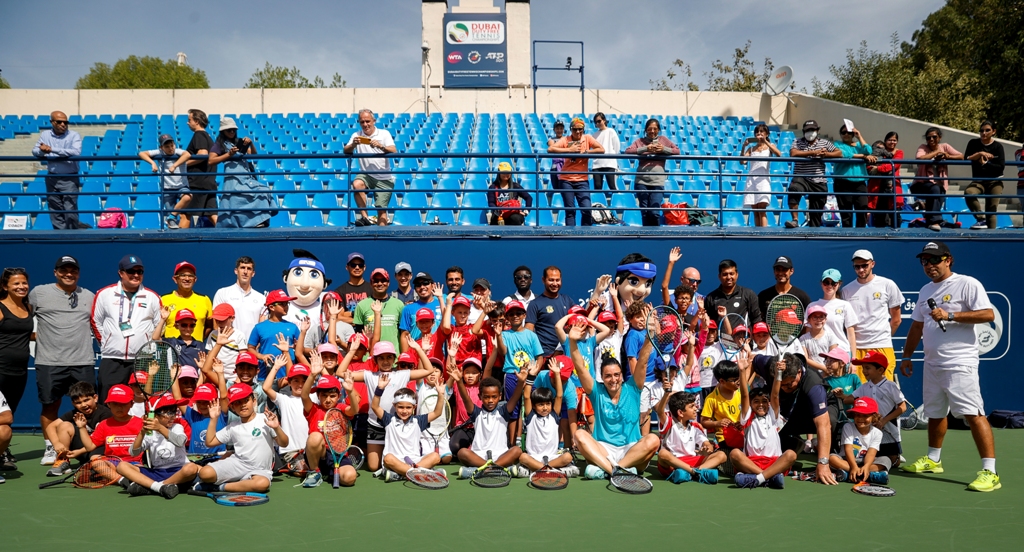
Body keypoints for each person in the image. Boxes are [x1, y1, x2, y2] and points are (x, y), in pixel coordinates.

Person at [899, 241, 1000, 492]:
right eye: (925, 261)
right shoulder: (924, 291)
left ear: (948, 260)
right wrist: (908, 355)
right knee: (935, 413)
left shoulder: (967, 283)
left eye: (935, 260)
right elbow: (917, 327)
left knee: (973, 414)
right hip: (932, 362)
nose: (930, 265)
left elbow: (988, 314)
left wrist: (950, 315)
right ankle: (933, 459)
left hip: (960, 361)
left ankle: (990, 471)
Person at [569, 314, 660, 480]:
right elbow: (581, 368)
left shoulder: (633, 388)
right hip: (603, 448)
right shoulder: (596, 391)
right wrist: (572, 342)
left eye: (617, 375)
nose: (613, 379)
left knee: (653, 439)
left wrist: (649, 335)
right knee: (580, 435)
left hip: (631, 449)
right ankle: (616, 471)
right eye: (608, 376)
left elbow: (643, 362)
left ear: (622, 376)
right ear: (602, 378)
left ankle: (611, 468)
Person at [30, 258, 93, 465]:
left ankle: (88, 446)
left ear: (78, 273)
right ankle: (51, 447)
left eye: (73, 270)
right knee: (50, 406)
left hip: (82, 360)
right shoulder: (39, 293)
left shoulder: (89, 296)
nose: (68, 274)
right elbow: (22, 318)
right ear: (55, 272)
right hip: (50, 361)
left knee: (87, 405)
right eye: (64, 270)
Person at [751, 352, 840, 485]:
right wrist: (744, 385)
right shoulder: (770, 364)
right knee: (779, 445)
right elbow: (752, 360)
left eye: (789, 384)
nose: (784, 387)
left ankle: (828, 455)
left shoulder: (813, 385)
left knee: (830, 421)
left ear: (799, 372)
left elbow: (823, 424)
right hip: (787, 407)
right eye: (782, 384)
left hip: (814, 410)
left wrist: (823, 463)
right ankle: (797, 443)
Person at [194, 383, 288, 493]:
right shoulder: (233, 426)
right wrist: (213, 418)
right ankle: (239, 483)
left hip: (260, 470)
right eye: (237, 402)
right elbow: (209, 442)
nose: (242, 405)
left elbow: (284, 443)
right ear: (233, 407)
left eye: (245, 400)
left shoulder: (266, 419)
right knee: (205, 473)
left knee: (262, 484)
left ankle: (218, 487)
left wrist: (277, 428)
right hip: (238, 465)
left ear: (254, 401)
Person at [91, 255, 162, 399]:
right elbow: (95, 321)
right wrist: (106, 343)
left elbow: (159, 325)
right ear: (121, 273)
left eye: (139, 272)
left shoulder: (152, 296)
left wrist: (149, 349)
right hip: (112, 359)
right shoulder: (104, 294)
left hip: (142, 359)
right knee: (109, 401)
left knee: (141, 403)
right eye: (131, 271)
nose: (136, 275)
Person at [731, 351, 796, 489]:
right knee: (734, 454)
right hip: (752, 463)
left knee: (791, 455)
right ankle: (768, 478)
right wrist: (742, 371)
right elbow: (744, 395)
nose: (760, 404)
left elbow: (775, 395)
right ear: (751, 404)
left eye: (764, 401)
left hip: (774, 463)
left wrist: (779, 373)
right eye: (756, 401)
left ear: (768, 404)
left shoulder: (773, 417)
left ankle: (757, 479)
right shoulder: (747, 417)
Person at [115, 393, 199, 499]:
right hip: (157, 472)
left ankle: (153, 487)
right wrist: (142, 433)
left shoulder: (177, 426)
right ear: (154, 415)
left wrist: (159, 427)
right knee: (122, 466)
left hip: (179, 471)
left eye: (174, 411)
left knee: (191, 468)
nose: (173, 416)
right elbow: (133, 452)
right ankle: (160, 488)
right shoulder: (149, 433)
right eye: (168, 412)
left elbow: (180, 441)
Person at [454, 365, 529, 479]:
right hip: (479, 456)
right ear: (480, 397)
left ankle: (484, 470)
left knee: (517, 450)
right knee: (462, 452)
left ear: (500, 397)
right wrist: (459, 381)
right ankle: (497, 470)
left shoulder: (503, 412)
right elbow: (466, 398)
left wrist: (521, 382)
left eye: (494, 397)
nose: (490, 400)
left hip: (500, 456)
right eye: (486, 397)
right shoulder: (476, 413)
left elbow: (515, 397)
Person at [841, 249, 904, 382]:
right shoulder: (846, 290)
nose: (861, 269)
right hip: (857, 350)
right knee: (860, 397)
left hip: (882, 347)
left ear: (872, 264)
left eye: (865, 265)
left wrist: (882, 337)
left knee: (884, 394)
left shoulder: (887, 285)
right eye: (857, 267)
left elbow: (896, 319)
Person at [374, 373, 447, 482]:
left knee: (436, 456)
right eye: (400, 407)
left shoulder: (419, 421)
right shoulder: (388, 419)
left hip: (416, 461)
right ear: (394, 406)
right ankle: (421, 473)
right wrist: (379, 389)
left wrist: (441, 394)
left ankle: (403, 475)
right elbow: (375, 407)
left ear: (414, 407)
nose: (404, 411)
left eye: (408, 407)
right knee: (388, 458)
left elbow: (437, 413)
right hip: (395, 461)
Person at [838, 351, 905, 469]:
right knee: (868, 456)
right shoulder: (864, 387)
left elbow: (902, 407)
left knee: (894, 462)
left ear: (880, 370)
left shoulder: (890, 386)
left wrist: (884, 421)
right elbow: (849, 399)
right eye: (863, 368)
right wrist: (842, 395)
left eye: (867, 368)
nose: (864, 371)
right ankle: (864, 468)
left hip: (889, 433)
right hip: (869, 433)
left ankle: (890, 459)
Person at [299, 362, 359, 488]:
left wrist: (351, 391)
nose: (328, 400)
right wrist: (312, 375)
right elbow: (304, 396)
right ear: (318, 396)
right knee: (315, 436)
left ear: (339, 396)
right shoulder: (313, 409)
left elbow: (354, 410)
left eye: (332, 396)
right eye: (324, 396)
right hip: (319, 454)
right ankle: (314, 472)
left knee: (349, 478)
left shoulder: (341, 409)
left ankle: (329, 473)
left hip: (338, 454)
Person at [209, 117, 275, 228]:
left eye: (233, 129)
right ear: (223, 131)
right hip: (233, 178)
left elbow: (253, 154)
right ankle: (253, 222)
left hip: (245, 177)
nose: (232, 132)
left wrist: (251, 143)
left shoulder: (239, 142)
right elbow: (211, 161)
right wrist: (228, 154)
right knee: (237, 200)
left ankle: (259, 221)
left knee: (263, 191)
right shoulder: (219, 145)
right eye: (228, 130)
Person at [656, 390, 725, 484]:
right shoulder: (669, 423)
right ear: (680, 412)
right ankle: (696, 473)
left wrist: (707, 450)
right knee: (662, 454)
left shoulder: (695, 427)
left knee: (722, 455)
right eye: (692, 406)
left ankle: (691, 473)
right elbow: (660, 412)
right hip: (673, 463)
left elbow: (707, 444)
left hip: (692, 461)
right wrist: (666, 394)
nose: (696, 408)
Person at [42, 382, 111, 476]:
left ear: (95, 398)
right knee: (65, 425)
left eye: (86, 400)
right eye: (78, 403)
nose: (83, 405)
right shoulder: (75, 413)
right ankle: (63, 461)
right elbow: (50, 427)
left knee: (98, 460)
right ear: (73, 404)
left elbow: (103, 440)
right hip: (83, 450)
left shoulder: (105, 414)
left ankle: (94, 465)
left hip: (99, 450)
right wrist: (56, 443)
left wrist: (80, 451)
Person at [32, 111, 86, 230]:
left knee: (70, 207)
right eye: (59, 122)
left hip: (69, 177)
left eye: (65, 122)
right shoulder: (45, 135)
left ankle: (72, 235)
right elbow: (35, 151)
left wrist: (52, 149)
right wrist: (43, 151)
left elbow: (76, 152)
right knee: (54, 207)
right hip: (52, 176)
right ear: (52, 122)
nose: (63, 124)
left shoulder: (74, 135)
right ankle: (60, 234)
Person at [345, 109, 397, 226]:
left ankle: (380, 238)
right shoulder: (356, 135)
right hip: (366, 174)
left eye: (367, 121)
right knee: (357, 184)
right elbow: (346, 149)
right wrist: (353, 145)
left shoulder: (384, 133)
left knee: (382, 212)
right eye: (362, 122)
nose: (365, 124)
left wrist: (381, 146)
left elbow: (393, 150)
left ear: (374, 121)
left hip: (384, 177)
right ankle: (365, 218)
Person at [548, 117, 604, 226]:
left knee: (587, 209)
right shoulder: (565, 139)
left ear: (583, 129)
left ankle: (585, 236)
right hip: (566, 180)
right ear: (571, 130)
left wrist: (587, 152)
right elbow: (550, 149)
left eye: (580, 129)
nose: (577, 131)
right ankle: (570, 238)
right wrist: (570, 150)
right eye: (574, 129)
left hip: (582, 180)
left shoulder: (587, 138)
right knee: (570, 211)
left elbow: (601, 149)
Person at [786, 119, 842, 228]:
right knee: (794, 189)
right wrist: (813, 152)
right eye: (808, 130)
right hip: (801, 176)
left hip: (818, 179)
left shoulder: (824, 143)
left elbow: (839, 153)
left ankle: (814, 229)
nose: (810, 132)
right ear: (803, 131)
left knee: (816, 211)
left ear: (817, 131)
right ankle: (795, 220)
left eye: (812, 130)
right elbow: (793, 153)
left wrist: (826, 154)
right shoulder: (797, 141)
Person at [624, 118, 680, 226]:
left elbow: (677, 151)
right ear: (646, 130)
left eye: (655, 129)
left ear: (658, 130)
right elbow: (627, 151)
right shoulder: (639, 141)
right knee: (645, 211)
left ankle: (656, 238)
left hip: (657, 181)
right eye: (650, 129)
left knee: (654, 212)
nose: (652, 131)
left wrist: (663, 149)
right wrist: (645, 149)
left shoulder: (663, 140)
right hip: (641, 181)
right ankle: (646, 239)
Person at [827, 397, 891, 485]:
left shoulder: (877, 433)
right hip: (847, 460)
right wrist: (853, 466)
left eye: (865, 415)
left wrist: (867, 466)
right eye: (857, 415)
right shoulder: (848, 427)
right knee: (831, 458)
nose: (860, 418)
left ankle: (849, 474)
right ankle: (868, 475)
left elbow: (871, 453)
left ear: (874, 417)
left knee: (886, 460)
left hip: (864, 461)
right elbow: (848, 449)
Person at [76, 384, 144, 462]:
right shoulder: (104, 425)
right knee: (96, 462)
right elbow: (90, 447)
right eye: (115, 404)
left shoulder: (141, 423)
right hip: (111, 463)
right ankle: (119, 474)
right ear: (108, 404)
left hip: (134, 464)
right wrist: (82, 427)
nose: (119, 407)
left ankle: (121, 474)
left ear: (131, 404)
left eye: (123, 403)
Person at [914, 127, 964, 232]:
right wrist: (936, 153)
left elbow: (961, 156)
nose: (931, 139)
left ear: (939, 138)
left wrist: (947, 156)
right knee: (935, 189)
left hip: (939, 186)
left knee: (938, 192)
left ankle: (931, 222)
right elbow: (920, 158)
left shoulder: (945, 147)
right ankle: (935, 221)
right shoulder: (923, 147)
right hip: (920, 184)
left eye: (934, 137)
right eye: (928, 138)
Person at [139, 134, 192, 229]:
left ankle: (171, 217)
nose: (170, 148)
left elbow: (187, 154)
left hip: (181, 186)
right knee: (171, 219)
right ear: (161, 147)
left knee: (187, 197)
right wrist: (152, 163)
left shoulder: (178, 151)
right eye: (167, 147)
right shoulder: (159, 152)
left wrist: (175, 165)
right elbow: (141, 153)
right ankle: (173, 234)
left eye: (172, 145)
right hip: (167, 188)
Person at [247, 290, 299, 380]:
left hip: (288, 377)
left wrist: (297, 347)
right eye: (282, 304)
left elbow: (301, 350)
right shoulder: (259, 327)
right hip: (265, 377)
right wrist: (261, 356)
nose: (286, 306)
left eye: (287, 303)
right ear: (271, 307)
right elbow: (250, 348)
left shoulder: (293, 327)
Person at [832, 124, 877, 228]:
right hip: (843, 182)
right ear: (840, 134)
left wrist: (859, 136)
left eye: (849, 132)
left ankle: (860, 234)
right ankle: (848, 235)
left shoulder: (858, 145)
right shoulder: (837, 144)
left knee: (862, 209)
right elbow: (844, 154)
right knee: (846, 213)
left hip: (859, 182)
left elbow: (869, 150)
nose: (846, 134)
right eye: (843, 132)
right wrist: (863, 156)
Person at [807, 268, 859, 358]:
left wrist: (853, 359)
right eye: (826, 282)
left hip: (841, 354)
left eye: (834, 283)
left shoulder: (845, 305)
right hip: (818, 355)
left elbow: (851, 334)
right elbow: (808, 333)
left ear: (839, 284)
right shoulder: (812, 306)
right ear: (821, 284)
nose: (829, 286)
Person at [964, 120, 1006, 230]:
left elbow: (1000, 167)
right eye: (981, 130)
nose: (984, 133)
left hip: (995, 181)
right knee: (969, 192)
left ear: (994, 132)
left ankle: (991, 238)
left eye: (987, 130)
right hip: (978, 180)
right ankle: (980, 219)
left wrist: (987, 164)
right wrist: (980, 154)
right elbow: (966, 157)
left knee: (991, 210)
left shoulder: (998, 147)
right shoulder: (973, 143)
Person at [525, 266, 575, 358]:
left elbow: (582, 319)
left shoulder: (567, 300)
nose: (555, 283)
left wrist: (597, 293)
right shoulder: (535, 304)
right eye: (551, 280)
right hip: (546, 357)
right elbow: (528, 333)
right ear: (543, 280)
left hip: (567, 354)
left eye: (557, 280)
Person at [213, 256, 265, 342]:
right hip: (228, 347)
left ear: (253, 273)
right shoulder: (222, 293)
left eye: (249, 269)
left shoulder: (261, 298)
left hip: (251, 348)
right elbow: (216, 325)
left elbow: (261, 327)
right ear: (236, 271)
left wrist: (254, 346)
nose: (245, 272)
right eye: (242, 268)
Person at [740, 123, 782, 227]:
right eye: (757, 132)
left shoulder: (770, 147)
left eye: (761, 132)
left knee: (762, 209)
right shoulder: (751, 149)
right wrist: (743, 147)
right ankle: (757, 233)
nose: (759, 134)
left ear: (767, 134)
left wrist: (765, 142)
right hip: (751, 180)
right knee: (755, 211)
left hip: (763, 180)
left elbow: (778, 154)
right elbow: (742, 161)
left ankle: (764, 233)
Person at [354, 270, 404, 352]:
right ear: (371, 284)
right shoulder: (362, 305)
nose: (380, 284)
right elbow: (358, 335)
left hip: (393, 359)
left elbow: (403, 334)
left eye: (383, 280)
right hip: (369, 358)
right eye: (376, 281)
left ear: (388, 283)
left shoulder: (398, 304)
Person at [161, 261, 212, 341]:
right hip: (171, 351)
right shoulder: (164, 300)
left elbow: (210, 326)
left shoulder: (204, 299)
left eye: (190, 276)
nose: (187, 279)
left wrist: (197, 341)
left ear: (195, 279)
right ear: (175, 279)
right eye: (182, 275)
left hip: (196, 352)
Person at [184, 108, 218, 227]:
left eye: (189, 120)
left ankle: (179, 243)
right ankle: (228, 235)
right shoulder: (208, 137)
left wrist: (183, 164)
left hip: (198, 183)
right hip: (209, 182)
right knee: (211, 214)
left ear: (197, 121)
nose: (188, 123)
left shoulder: (198, 135)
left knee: (185, 213)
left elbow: (202, 155)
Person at [706, 259, 762, 324]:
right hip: (719, 334)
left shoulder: (748, 294)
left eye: (731, 274)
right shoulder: (711, 298)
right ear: (719, 276)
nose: (728, 277)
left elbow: (757, 320)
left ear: (737, 275)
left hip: (743, 334)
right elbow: (708, 324)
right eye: (725, 274)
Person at [866, 132, 903, 228]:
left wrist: (878, 168)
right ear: (885, 141)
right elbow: (869, 167)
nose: (892, 142)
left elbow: (894, 165)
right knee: (879, 217)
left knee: (895, 215)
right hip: (877, 188)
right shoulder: (878, 150)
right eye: (890, 140)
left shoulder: (899, 152)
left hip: (892, 187)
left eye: (894, 140)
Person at [398, 274, 444, 347]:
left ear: (433, 285)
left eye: (425, 283)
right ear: (415, 289)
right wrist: (405, 357)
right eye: (418, 285)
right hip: (415, 354)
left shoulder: (442, 306)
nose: (422, 287)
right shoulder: (408, 308)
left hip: (438, 355)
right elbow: (405, 335)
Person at [487, 161, 531, 226]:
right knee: (495, 218)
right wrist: (498, 211)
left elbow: (528, 198)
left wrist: (526, 211)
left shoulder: (515, 186)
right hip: (499, 214)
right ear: (499, 173)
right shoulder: (493, 187)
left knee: (515, 218)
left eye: (508, 172)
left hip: (513, 214)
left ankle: (513, 235)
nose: (506, 174)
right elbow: (491, 202)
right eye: (503, 172)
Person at [799, 305, 840, 374]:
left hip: (828, 374)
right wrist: (823, 368)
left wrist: (828, 370)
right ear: (809, 320)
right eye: (815, 317)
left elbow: (834, 358)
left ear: (825, 319)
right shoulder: (803, 339)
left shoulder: (831, 337)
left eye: (821, 317)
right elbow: (805, 359)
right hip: (811, 374)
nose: (818, 320)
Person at [335, 252, 372, 317]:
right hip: (347, 327)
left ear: (364, 267)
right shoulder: (340, 291)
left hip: (368, 327)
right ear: (347, 267)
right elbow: (340, 317)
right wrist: (359, 319)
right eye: (353, 265)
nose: (357, 267)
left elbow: (375, 314)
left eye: (360, 265)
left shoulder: (372, 289)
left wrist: (348, 314)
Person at [591, 112, 620, 191]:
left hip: (610, 163)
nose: (598, 123)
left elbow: (616, 147)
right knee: (597, 187)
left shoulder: (611, 131)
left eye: (599, 121)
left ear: (604, 120)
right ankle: (598, 203)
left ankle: (616, 203)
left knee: (612, 186)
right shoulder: (594, 135)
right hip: (597, 164)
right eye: (596, 122)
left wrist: (612, 157)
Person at [546, 120, 567, 206]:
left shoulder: (567, 139)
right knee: (557, 187)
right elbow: (551, 148)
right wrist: (565, 149)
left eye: (561, 128)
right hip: (555, 167)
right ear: (554, 129)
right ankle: (559, 204)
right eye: (557, 128)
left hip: (565, 166)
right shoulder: (551, 139)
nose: (559, 130)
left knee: (565, 187)